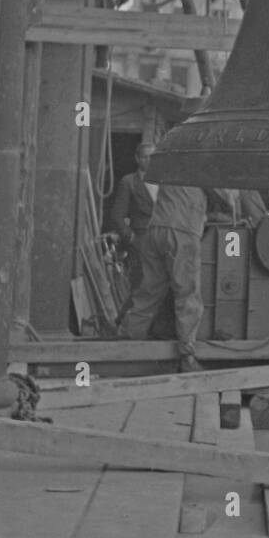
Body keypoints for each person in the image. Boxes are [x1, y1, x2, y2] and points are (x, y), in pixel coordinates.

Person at [120, 180, 206, 373]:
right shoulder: (202, 163)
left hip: (156, 228)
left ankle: (127, 341)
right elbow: (225, 195)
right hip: (183, 230)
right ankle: (187, 356)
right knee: (187, 293)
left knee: (148, 292)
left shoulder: (170, 156)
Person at [108, 141, 157, 296]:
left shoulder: (165, 183)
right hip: (141, 241)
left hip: (163, 240)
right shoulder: (129, 182)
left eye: (152, 157)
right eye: (145, 157)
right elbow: (117, 216)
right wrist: (131, 238)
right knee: (140, 287)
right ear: (137, 159)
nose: (149, 161)